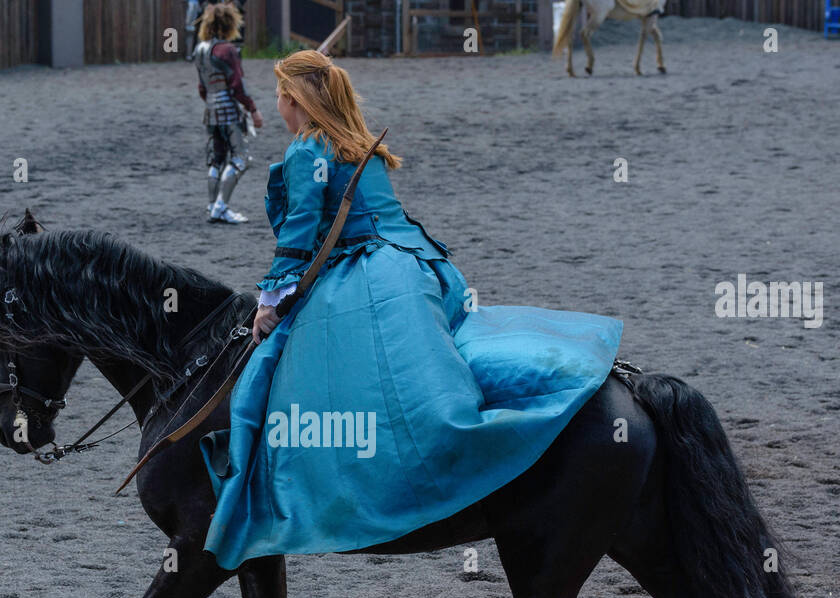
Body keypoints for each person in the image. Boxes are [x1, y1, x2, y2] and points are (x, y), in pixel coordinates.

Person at [198, 50, 623, 570]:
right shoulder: (361, 146)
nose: (279, 107)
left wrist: (270, 300)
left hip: (368, 278)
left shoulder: (305, 149)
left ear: (293, 98)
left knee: (276, 361)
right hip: (423, 268)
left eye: (280, 96)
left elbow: (301, 232)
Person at [195, 3, 263, 223]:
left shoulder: (200, 49)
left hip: (210, 110)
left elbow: (202, 87)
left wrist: (212, 104)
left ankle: (211, 205)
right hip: (228, 111)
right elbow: (237, 86)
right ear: (230, 23)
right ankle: (221, 207)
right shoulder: (228, 50)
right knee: (241, 159)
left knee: (216, 159)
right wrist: (253, 109)